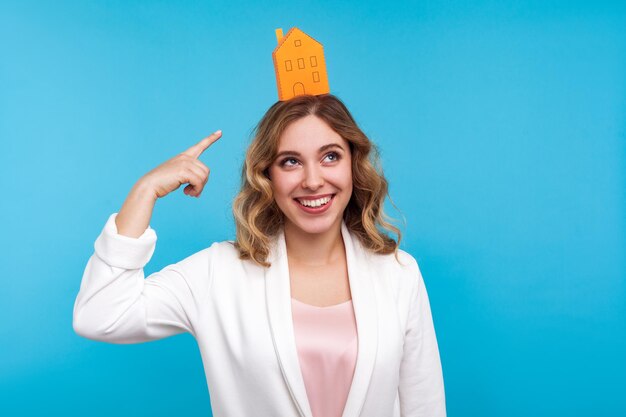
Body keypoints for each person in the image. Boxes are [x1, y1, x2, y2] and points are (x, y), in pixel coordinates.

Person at [73, 94, 446, 417]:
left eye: (330, 156)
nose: (313, 180)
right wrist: (145, 190)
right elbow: (99, 315)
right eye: (290, 162)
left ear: (353, 163)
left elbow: (423, 407)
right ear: (266, 174)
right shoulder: (218, 274)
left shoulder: (399, 273)